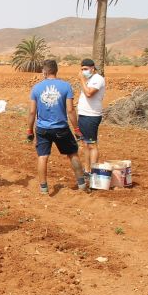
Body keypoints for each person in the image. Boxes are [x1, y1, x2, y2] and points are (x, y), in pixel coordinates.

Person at [26, 59, 87, 195]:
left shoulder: (36, 88)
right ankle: (82, 185)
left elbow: (31, 112)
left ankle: (43, 189)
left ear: (45, 72)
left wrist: (29, 130)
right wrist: (77, 130)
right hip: (61, 128)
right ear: (56, 71)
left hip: (42, 129)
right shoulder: (65, 86)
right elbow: (70, 110)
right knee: (72, 154)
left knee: (43, 156)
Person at [76, 58, 106, 177]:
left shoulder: (97, 79)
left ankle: (93, 171)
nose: (83, 71)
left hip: (91, 116)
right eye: (82, 69)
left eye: (85, 69)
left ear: (92, 69)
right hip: (83, 115)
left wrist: (82, 79)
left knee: (92, 144)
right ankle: (87, 170)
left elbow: (89, 93)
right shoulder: (88, 79)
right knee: (85, 144)